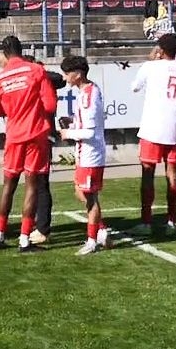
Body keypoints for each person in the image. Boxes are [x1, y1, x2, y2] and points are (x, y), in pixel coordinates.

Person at [0, 36, 57, 252]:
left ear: (4, 54)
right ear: (21, 50)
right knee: (32, 186)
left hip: (13, 136)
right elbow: (50, 104)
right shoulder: (36, 71)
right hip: (35, 135)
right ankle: (24, 239)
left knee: (8, 185)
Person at [129, 33, 176, 236]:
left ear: (160, 50)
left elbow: (135, 87)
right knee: (172, 173)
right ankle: (172, 221)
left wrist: (151, 59)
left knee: (148, 174)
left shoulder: (150, 66)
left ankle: (146, 221)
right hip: (173, 128)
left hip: (152, 128)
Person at [58, 55, 111, 255]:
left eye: (67, 73)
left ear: (78, 74)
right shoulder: (86, 92)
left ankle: (92, 240)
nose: (64, 78)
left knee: (90, 197)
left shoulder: (89, 95)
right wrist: (72, 122)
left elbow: (90, 132)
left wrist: (68, 133)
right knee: (81, 192)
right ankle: (101, 231)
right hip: (84, 153)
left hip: (91, 154)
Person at [21, 54, 66, 245]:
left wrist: (38, 72)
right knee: (33, 182)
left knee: (40, 183)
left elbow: (60, 79)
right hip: (31, 135)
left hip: (42, 135)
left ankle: (43, 228)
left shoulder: (44, 78)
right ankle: (34, 223)